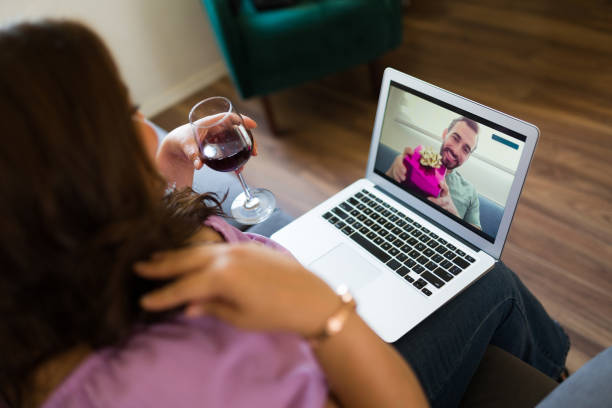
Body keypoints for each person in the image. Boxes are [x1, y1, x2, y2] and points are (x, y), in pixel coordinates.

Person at [0, 20, 570, 408]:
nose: (141, 121)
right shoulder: (162, 378)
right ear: (76, 170)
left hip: (293, 295)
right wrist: (326, 315)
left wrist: (165, 170)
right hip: (333, 346)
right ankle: (562, 382)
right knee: (493, 279)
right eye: (123, 112)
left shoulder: (61, 284)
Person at [386, 117, 482, 228]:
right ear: (445, 134)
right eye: (455, 138)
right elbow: (382, 190)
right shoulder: (415, 160)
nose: (456, 151)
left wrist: (454, 217)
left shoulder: (470, 192)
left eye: (465, 149)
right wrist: (394, 170)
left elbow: (476, 235)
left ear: (468, 156)